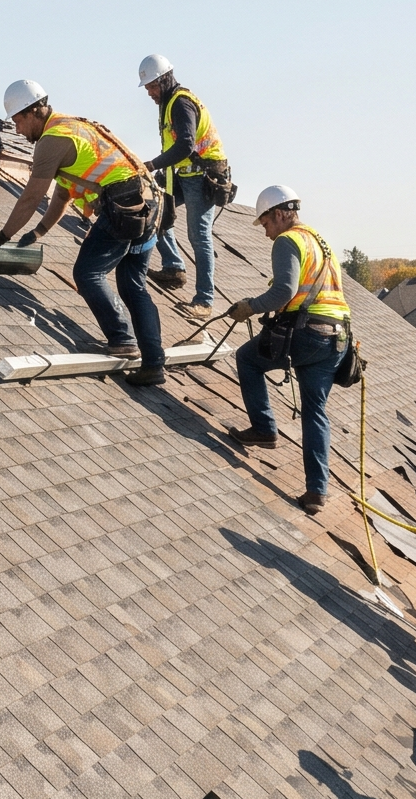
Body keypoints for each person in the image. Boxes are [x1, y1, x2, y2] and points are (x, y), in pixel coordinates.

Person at [0, 79, 167, 386]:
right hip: (150, 202)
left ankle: (122, 339)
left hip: (123, 204)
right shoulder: (74, 127)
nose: (16, 130)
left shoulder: (51, 141)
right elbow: (61, 196)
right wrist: (38, 232)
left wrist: (0, 238)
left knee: (87, 273)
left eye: (17, 121)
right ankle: (154, 364)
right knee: (133, 285)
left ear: (32, 112)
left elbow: (31, 196)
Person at [218, 185, 350, 515]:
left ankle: (264, 429)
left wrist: (251, 307)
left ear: (279, 214)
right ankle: (317, 492)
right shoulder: (318, 240)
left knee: (247, 358)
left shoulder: (287, 241)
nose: (265, 233)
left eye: (265, 224)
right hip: (337, 337)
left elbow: (284, 291)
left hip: (308, 332)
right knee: (315, 412)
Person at [132, 55, 232, 316]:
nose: (150, 93)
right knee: (154, 211)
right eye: (148, 88)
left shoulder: (181, 103)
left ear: (165, 79)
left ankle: (204, 300)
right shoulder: (168, 103)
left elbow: (186, 144)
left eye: (153, 86)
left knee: (198, 235)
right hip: (181, 172)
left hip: (202, 174)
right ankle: (174, 268)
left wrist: (152, 165)